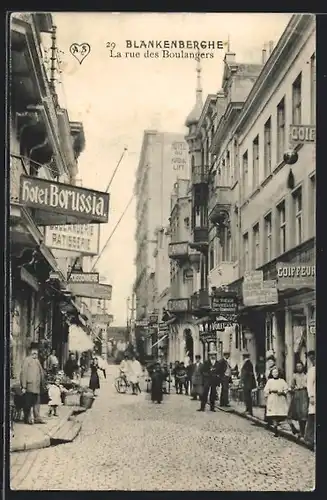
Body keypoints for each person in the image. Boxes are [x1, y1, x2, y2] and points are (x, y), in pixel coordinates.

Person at [20, 343, 46, 425]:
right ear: (30, 351)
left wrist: (43, 383)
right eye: (33, 351)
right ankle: (27, 418)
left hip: (37, 386)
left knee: (36, 402)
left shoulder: (37, 361)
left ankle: (37, 417)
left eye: (36, 351)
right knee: (28, 403)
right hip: (29, 386)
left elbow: (41, 372)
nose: (35, 353)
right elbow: (23, 373)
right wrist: (23, 386)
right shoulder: (27, 360)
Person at [264, 367, 289, 436]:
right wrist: (269, 392)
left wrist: (282, 392)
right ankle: (275, 430)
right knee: (273, 414)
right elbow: (266, 390)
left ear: (278, 373)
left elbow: (286, 389)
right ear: (272, 373)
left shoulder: (282, 381)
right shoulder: (270, 381)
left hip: (280, 399)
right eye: (274, 372)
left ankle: (277, 424)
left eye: (276, 372)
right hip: (272, 398)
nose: (275, 374)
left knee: (280, 413)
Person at [288, 361, 309, 438]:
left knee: (304, 413)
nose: (299, 368)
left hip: (304, 395)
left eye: (300, 366)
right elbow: (291, 387)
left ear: (302, 367)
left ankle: (303, 432)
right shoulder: (294, 376)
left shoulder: (306, 375)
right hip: (297, 396)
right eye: (297, 366)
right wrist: (293, 389)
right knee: (298, 413)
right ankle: (300, 431)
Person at [304, 350, 315, 449]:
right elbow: (309, 385)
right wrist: (311, 396)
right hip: (314, 397)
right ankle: (309, 439)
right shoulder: (312, 370)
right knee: (312, 417)